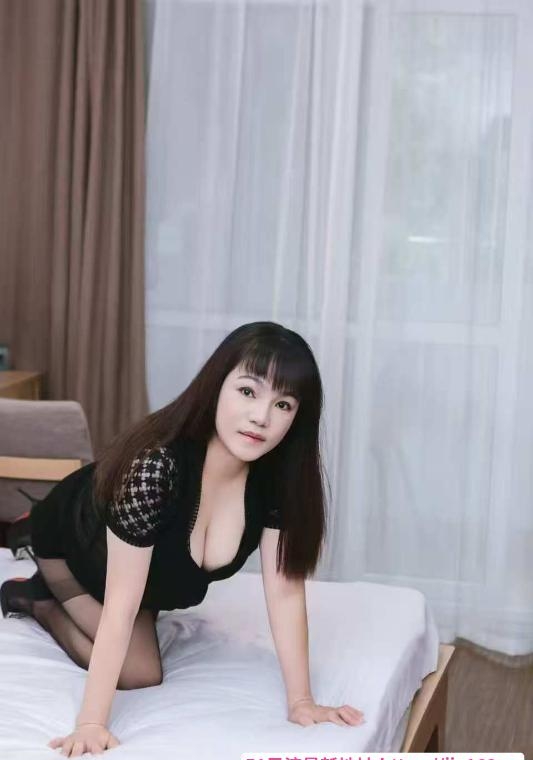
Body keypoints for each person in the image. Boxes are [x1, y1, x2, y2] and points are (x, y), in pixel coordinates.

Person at [1, 321, 365, 756]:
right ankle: (34, 597)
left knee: (142, 647)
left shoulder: (275, 482)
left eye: (283, 404)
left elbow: (285, 593)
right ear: (216, 386)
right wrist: (91, 723)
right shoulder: (155, 468)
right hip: (72, 546)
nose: (261, 417)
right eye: (248, 391)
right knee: (139, 673)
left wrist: (301, 702)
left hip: (145, 576)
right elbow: (121, 606)